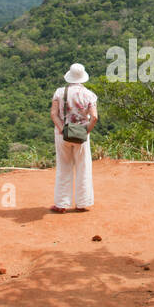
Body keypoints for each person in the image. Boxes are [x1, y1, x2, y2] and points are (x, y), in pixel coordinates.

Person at [51, 63, 98, 213]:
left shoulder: (59, 92)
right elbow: (95, 117)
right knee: (83, 167)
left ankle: (61, 204)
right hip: (81, 135)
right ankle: (82, 203)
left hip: (63, 134)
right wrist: (86, 132)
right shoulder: (89, 95)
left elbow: (53, 114)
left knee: (64, 167)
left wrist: (63, 129)